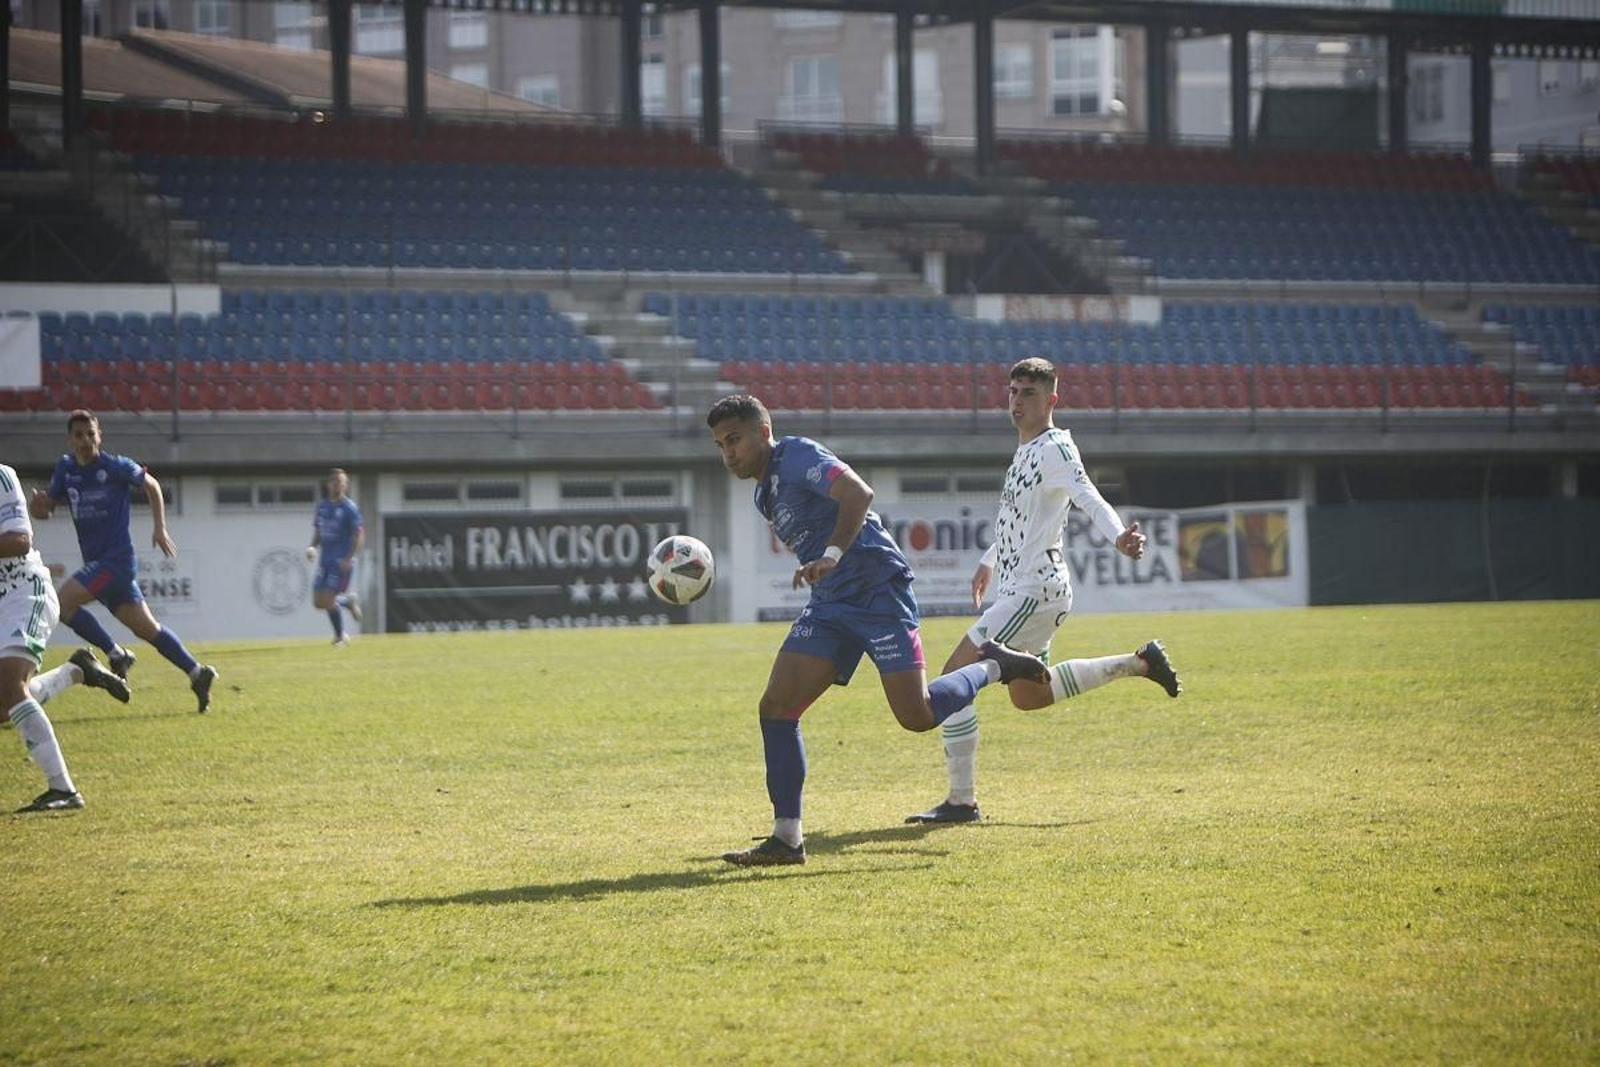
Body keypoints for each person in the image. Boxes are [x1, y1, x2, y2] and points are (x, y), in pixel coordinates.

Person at [707, 394, 1051, 867]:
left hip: (877, 589)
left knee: (917, 715)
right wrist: (819, 567)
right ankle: (787, 839)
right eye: (721, 445)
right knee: (777, 706)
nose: (728, 453)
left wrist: (831, 554)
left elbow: (857, 494)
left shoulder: (797, 455)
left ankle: (994, 665)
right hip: (831, 604)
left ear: (764, 432)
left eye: (735, 440)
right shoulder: (764, 492)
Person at [905, 358, 1182, 826]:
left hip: (1034, 591)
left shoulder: (1055, 449)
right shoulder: (1026, 450)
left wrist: (1118, 536)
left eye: (1029, 393)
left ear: (1052, 400)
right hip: (1029, 588)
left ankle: (961, 800)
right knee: (1030, 696)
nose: (1017, 401)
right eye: (1013, 391)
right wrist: (989, 560)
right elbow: (1022, 520)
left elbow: (1088, 496)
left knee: (953, 675)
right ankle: (1139, 662)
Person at [29, 410, 219, 713]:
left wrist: (159, 527)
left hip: (115, 563)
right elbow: (46, 509)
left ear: (99, 435)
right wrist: (38, 506)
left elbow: (152, 485)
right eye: (79, 435)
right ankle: (197, 672)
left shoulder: (114, 466)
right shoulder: (65, 469)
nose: (86, 440)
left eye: (91, 433)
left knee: (62, 603)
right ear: (70, 439)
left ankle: (115, 654)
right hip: (100, 566)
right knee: (148, 630)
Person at [1, 461, 129, 812]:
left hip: (25, 592)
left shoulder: (3, 475)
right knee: (5, 704)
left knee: (11, 682)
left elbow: (20, 540)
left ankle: (64, 790)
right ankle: (76, 671)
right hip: (1, 603)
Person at [306, 467, 364, 647]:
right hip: (325, 561)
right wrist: (312, 547)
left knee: (329, 599)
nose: (338, 485)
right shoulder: (322, 507)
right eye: (334, 481)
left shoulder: (349, 508)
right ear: (329, 484)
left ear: (346, 485)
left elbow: (359, 535)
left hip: (340, 562)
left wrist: (349, 557)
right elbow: (318, 531)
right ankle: (347, 601)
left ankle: (340, 637)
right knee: (318, 602)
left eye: (341, 482)